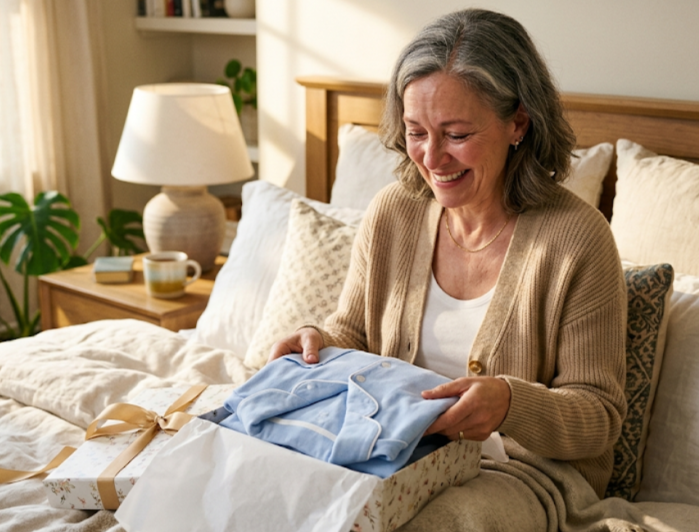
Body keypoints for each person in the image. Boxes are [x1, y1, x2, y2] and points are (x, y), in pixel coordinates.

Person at [269, 7, 627, 511]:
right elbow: (353, 333)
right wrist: (318, 343)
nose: (432, 159)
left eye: (456, 135)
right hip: (388, 449)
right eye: (416, 132)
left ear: (517, 122)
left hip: (520, 472)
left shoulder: (578, 239)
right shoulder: (394, 211)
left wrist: (509, 403)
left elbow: (601, 416)